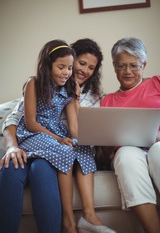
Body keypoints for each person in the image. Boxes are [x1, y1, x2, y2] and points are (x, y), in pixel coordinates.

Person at [0, 38, 116, 233]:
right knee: (58, 152)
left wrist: (94, 138)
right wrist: (14, 145)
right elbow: (22, 121)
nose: (78, 71)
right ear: (50, 65)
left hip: (56, 140)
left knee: (82, 149)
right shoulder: (35, 84)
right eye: (80, 64)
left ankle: (87, 217)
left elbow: (74, 129)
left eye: (91, 67)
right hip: (34, 135)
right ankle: (68, 221)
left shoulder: (79, 93)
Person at [100, 37, 160, 233]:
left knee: (157, 151)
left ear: (144, 65)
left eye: (133, 65)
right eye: (121, 66)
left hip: (157, 146)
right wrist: (107, 144)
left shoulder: (157, 83)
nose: (127, 72)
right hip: (127, 150)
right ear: (114, 67)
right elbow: (105, 151)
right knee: (126, 155)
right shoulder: (107, 101)